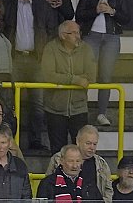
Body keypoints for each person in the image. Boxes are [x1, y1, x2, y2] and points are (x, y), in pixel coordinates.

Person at [4, 0, 64, 149]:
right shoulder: (7, 5)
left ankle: (35, 140)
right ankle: (8, 140)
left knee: (37, 102)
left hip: (37, 60)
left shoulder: (42, 5)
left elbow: (52, 32)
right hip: (14, 58)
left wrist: (46, 56)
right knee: (9, 102)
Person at [74, 0, 128, 128]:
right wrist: (95, 10)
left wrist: (112, 11)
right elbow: (78, 15)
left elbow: (126, 18)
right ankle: (80, 111)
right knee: (86, 74)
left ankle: (102, 113)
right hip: (91, 36)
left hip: (111, 37)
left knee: (106, 77)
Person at [38, 20, 96, 154]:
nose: (78, 36)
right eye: (74, 33)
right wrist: (76, 79)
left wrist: (62, 78)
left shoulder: (86, 49)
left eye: (78, 32)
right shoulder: (50, 48)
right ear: (63, 35)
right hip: (55, 108)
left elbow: (91, 76)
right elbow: (48, 75)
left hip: (79, 108)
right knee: (58, 152)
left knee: (82, 151)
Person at [48, 125, 113, 203]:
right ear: (78, 141)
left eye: (95, 144)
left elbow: (108, 190)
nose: (92, 147)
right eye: (88, 143)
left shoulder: (101, 164)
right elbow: (48, 184)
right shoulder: (58, 159)